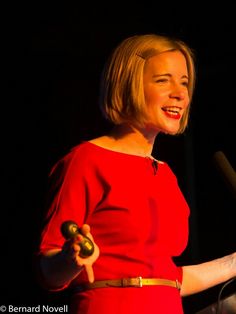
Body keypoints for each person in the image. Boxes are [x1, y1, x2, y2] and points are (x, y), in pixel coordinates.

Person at [36, 33, 236, 314]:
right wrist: (70, 259)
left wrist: (233, 263)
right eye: (163, 80)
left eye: (184, 82)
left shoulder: (165, 174)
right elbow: (47, 269)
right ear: (128, 84)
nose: (180, 93)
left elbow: (168, 280)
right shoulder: (86, 160)